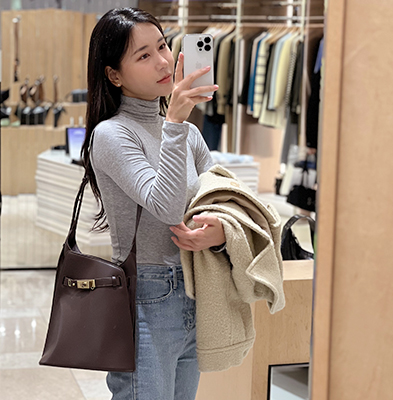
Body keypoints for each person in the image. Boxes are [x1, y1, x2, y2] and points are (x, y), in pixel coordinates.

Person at [81, 7, 226, 400]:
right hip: (146, 294)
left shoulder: (188, 134)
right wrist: (175, 123)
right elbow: (167, 207)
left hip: (196, 288)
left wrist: (218, 232)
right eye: (143, 55)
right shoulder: (112, 135)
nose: (163, 61)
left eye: (162, 46)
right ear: (114, 75)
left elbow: (224, 199)